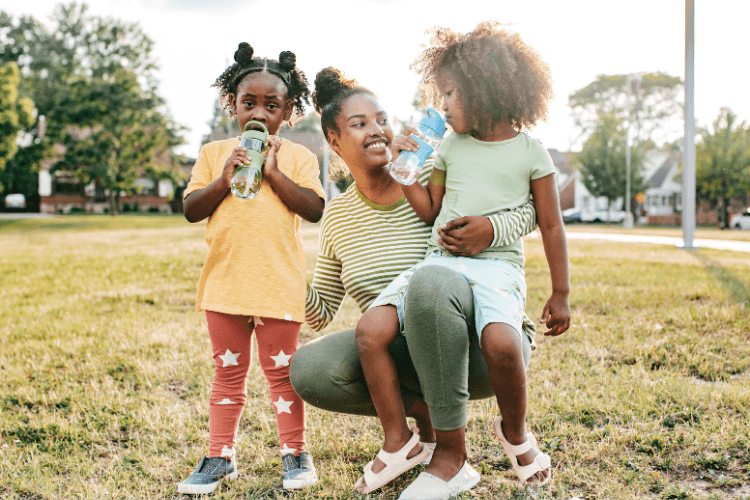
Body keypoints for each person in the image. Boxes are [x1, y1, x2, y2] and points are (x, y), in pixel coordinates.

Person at [288, 66, 539, 498]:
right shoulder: (338, 219)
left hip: (480, 348)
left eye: (382, 119)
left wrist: (490, 230)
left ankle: (449, 453)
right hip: (400, 351)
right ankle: (414, 437)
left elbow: (528, 204)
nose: (377, 130)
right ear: (333, 141)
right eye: (360, 124)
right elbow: (320, 310)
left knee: (429, 283)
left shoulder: (428, 180)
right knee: (310, 369)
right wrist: (277, 263)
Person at [357, 22, 571, 499]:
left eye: (451, 93)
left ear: (487, 89)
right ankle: (400, 442)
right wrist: (405, 169)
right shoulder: (449, 146)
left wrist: (560, 291)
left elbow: (551, 224)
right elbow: (431, 210)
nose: (443, 104)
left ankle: (515, 433)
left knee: (501, 344)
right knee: (370, 332)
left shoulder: (531, 152)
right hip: (440, 262)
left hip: (497, 268)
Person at [177, 42, 325, 495]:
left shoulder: (299, 156)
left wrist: (276, 173)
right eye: (249, 102)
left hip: (278, 286)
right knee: (228, 372)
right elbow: (191, 210)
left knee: (283, 374)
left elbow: (315, 209)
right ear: (233, 105)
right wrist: (224, 177)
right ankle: (220, 455)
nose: (259, 111)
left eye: (272, 104)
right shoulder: (213, 152)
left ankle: (294, 453)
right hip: (225, 286)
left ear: (288, 111)